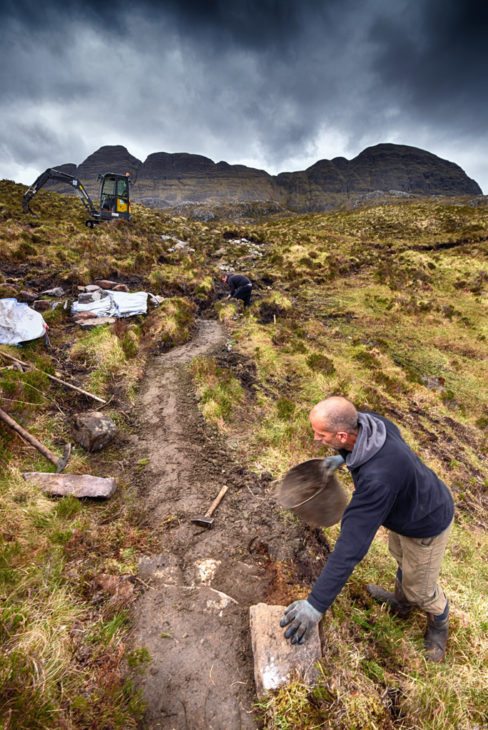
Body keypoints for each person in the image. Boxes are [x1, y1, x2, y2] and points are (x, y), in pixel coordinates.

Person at [280, 396, 454, 663]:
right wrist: (341, 458)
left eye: (321, 434)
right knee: (400, 556)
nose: (316, 439)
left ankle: (439, 623)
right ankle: (402, 603)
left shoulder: (378, 480)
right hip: (406, 507)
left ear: (340, 434)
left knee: (421, 588)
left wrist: (315, 605)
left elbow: (350, 548)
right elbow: (356, 444)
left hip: (427, 523)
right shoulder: (371, 423)